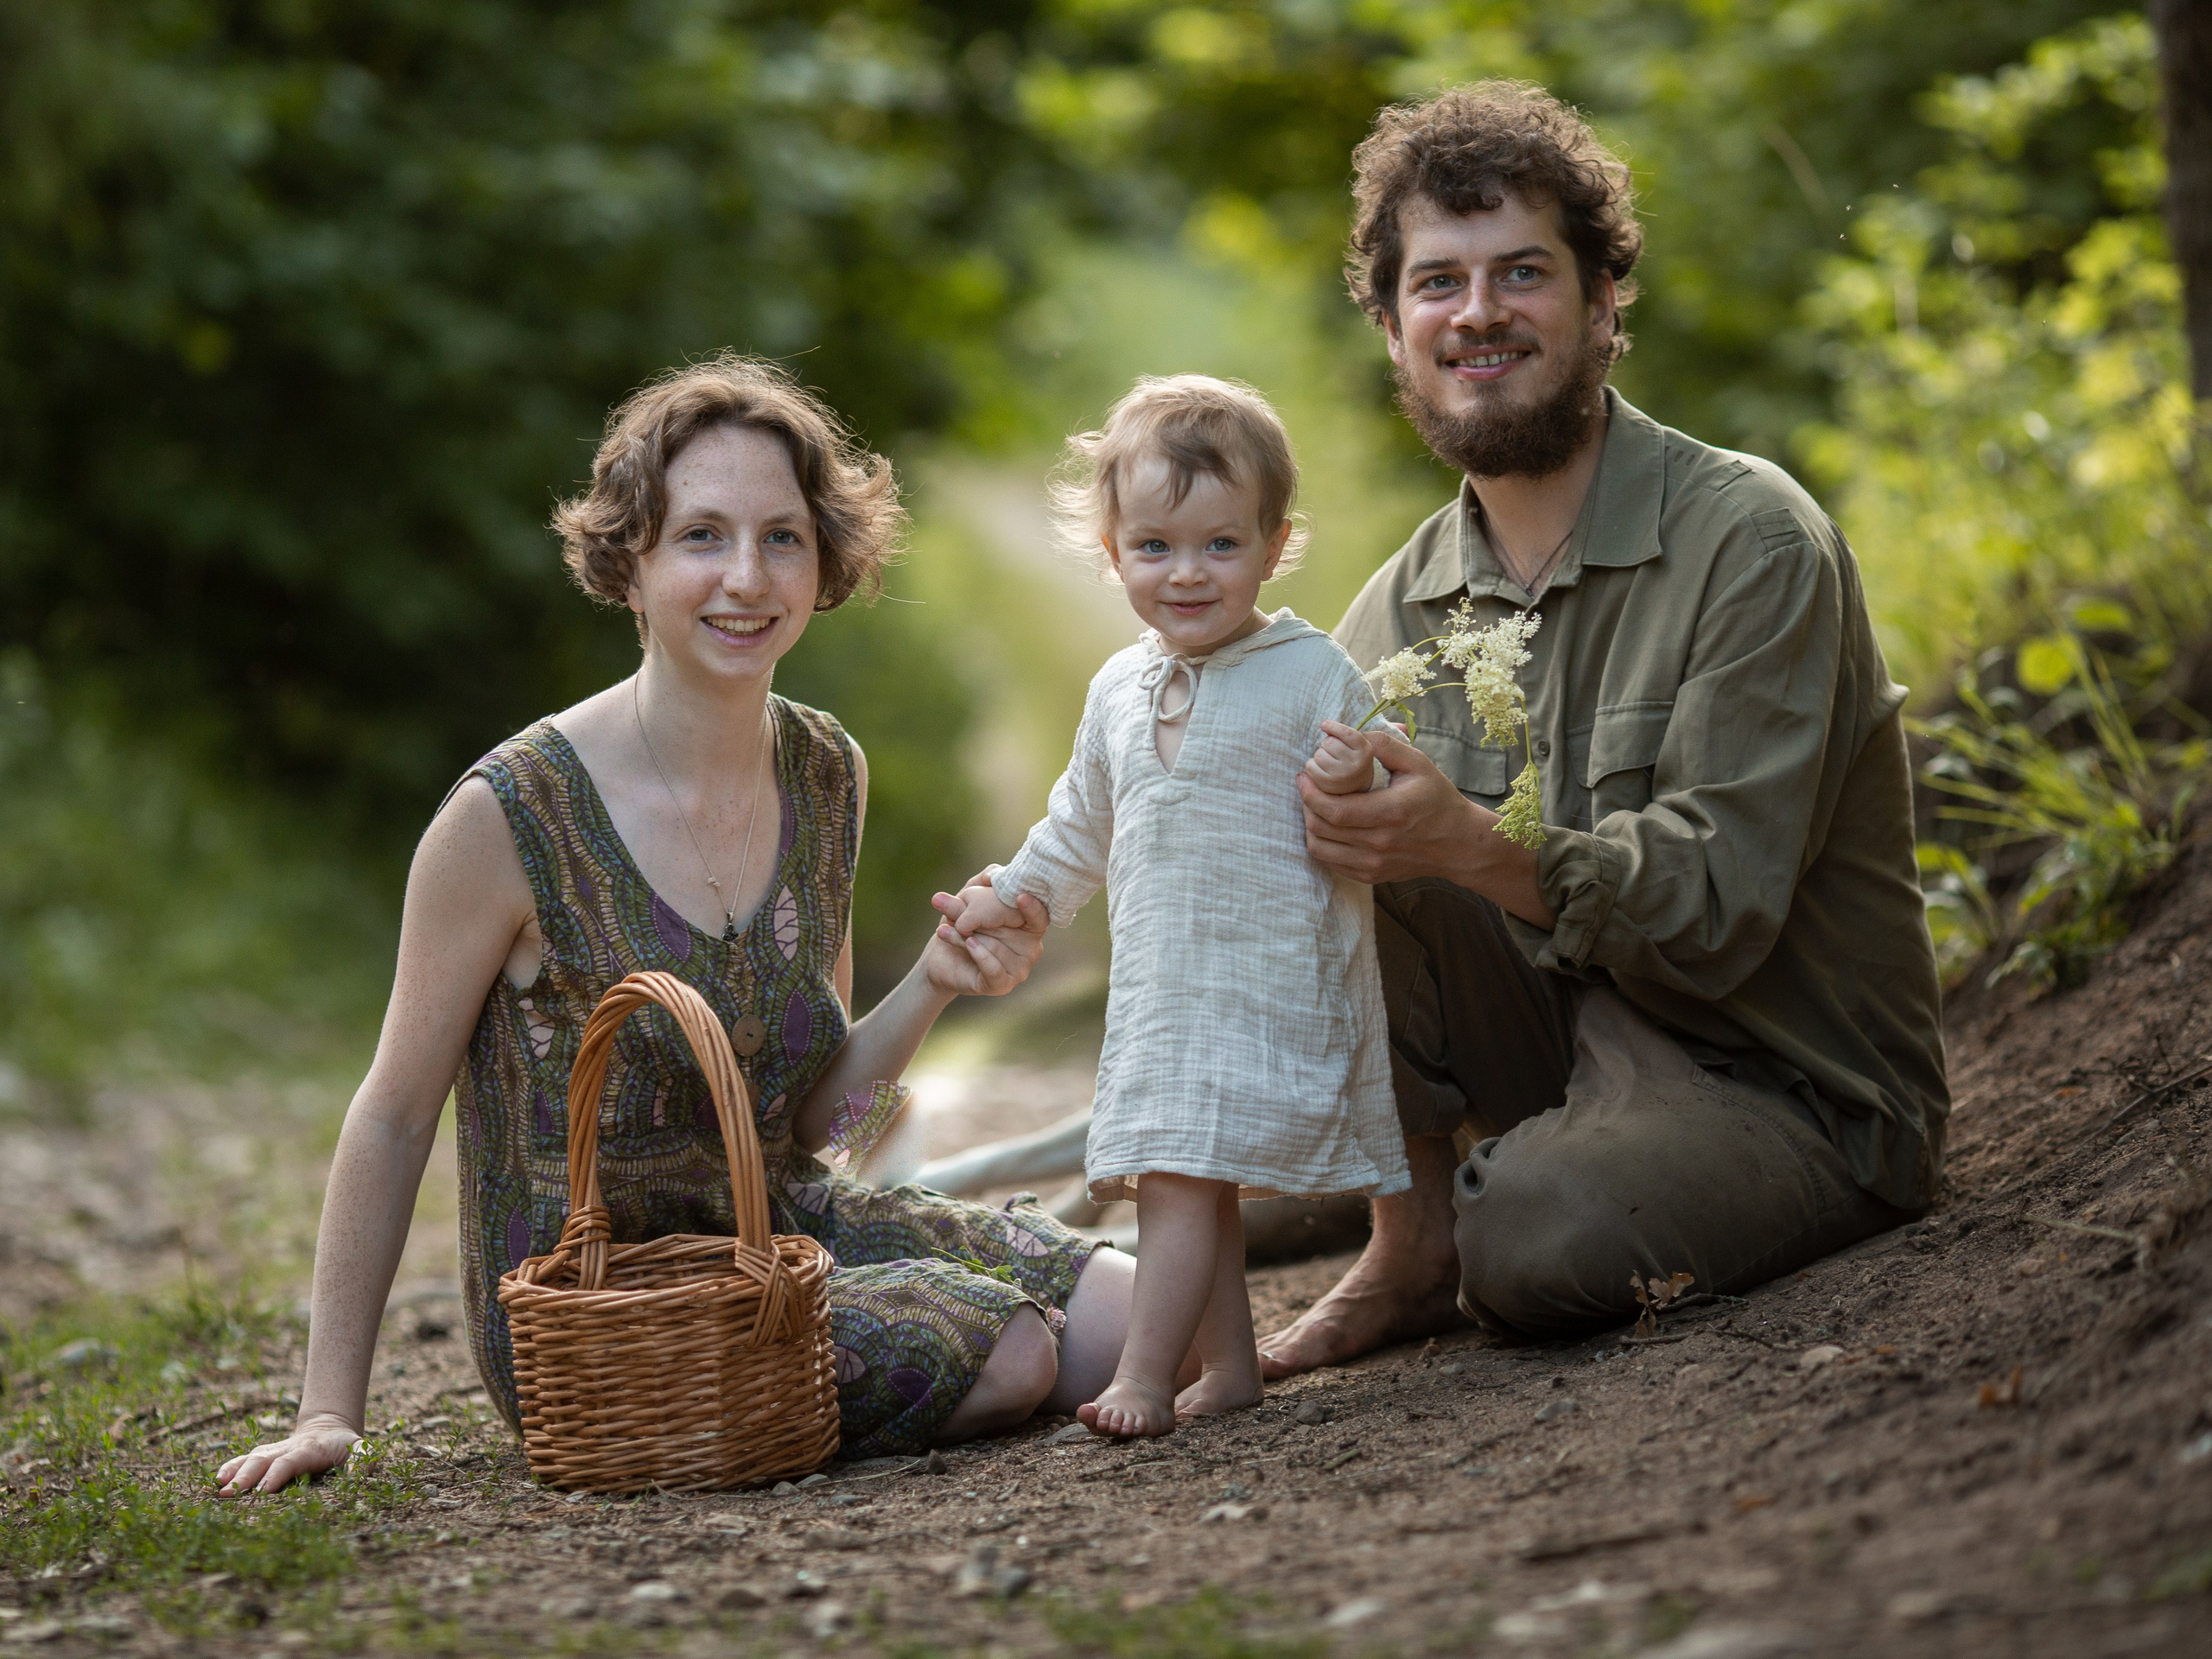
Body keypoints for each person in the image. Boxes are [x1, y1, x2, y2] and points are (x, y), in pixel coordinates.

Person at [217, 355, 1145, 1496]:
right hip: (608, 1313)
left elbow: (828, 1127)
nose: (746, 579)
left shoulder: (825, 774)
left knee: (1143, 1321)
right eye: (702, 535)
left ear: (824, 560)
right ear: (632, 559)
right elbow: (395, 1112)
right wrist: (327, 1411)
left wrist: (937, 987)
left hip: (786, 1232)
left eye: (783, 538)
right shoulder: (508, 818)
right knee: (1011, 1352)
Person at [1258, 82, 1949, 1374]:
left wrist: (1465, 844)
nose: (1478, 314)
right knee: (1304, 825)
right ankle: (1409, 1248)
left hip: (1780, 1081)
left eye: (1523, 272)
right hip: (1563, 1070)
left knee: (1537, 1239)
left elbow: (1714, 910)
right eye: (1438, 284)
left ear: (1604, 301)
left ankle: (1498, 1211)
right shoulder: (1393, 609)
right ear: (1392, 329)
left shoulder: (1751, 538)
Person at [948, 377, 1409, 1438]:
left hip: (1266, 977)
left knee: (1175, 1181)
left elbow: (1387, 798)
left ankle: (1146, 1378)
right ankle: (1232, 1367)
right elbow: (1079, 826)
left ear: (1273, 543)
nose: (1186, 574)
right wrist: (1014, 895)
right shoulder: (1117, 686)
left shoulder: (1310, 673)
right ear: (1114, 553)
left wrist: (1353, 781)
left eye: (1220, 545)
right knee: (1187, 1181)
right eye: (1154, 548)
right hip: (1163, 985)